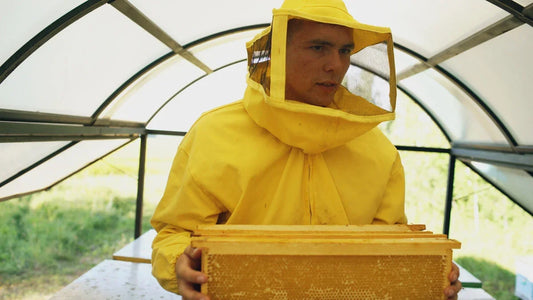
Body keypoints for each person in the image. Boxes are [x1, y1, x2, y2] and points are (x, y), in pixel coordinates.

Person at [150, 0, 462, 299]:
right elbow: (175, 232)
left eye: (345, 51)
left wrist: (427, 276)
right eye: (318, 47)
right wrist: (180, 263)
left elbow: (389, 245)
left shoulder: (379, 150)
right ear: (278, 52)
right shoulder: (213, 134)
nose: (336, 65)